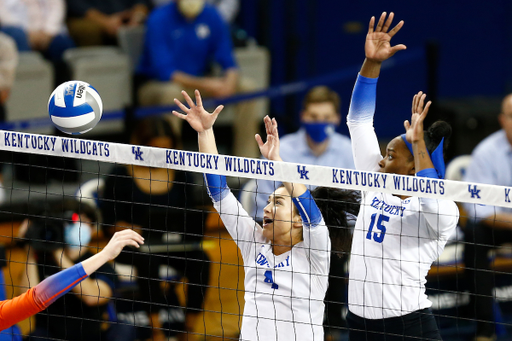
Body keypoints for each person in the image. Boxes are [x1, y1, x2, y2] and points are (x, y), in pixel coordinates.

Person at [172, 89, 360, 341]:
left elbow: (310, 210)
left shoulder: (316, 249)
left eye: (278, 202)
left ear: (297, 219)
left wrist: (277, 161)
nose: (267, 208)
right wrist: (205, 133)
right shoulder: (255, 243)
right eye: (269, 201)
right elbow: (218, 192)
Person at [345, 12, 459, 340]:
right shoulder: (375, 183)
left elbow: (429, 193)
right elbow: (359, 122)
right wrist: (371, 64)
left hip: (408, 328)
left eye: (392, 155)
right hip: (360, 326)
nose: (381, 160)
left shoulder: (442, 211)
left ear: (413, 167)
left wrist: (419, 143)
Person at [100, 116, 209, 340]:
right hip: (133, 246)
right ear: (140, 145)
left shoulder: (182, 175)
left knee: (202, 259)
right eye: (155, 150)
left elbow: (189, 214)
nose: (160, 155)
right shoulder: (119, 176)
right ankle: (156, 330)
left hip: (171, 244)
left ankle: (188, 329)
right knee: (148, 261)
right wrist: (124, 227)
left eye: (165, 150)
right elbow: (108, 224)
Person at [137, 0, 260, 157]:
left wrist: (229, 82)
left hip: (200, 84)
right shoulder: (158, 19)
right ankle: (175, 170)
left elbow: (229, 61)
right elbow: (166, 72)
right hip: (157, 85)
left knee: (247, 88)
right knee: (172, 94)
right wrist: (209, 85)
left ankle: (245, 165)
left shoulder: (211, 15)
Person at [2, 219, 144, 332]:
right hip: (51, 334)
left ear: (92, 227)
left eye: (78, 220)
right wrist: (31, 246)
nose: (72, 225)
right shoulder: (43, 262)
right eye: (68, 221)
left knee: (124, 329)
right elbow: (27, 301)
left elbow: (92, 297)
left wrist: (58, 253)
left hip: (89, 334)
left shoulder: (103, 266)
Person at [463, 93, 512, 341]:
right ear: (503, 119)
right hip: (499, 225)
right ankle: (485, 330)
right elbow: (479, 211)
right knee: (473, 236)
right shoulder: (485, 153)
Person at [0, 0, 75, 67]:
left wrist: (48, 31)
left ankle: (61, 80)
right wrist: (26, 32)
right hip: (15, 28)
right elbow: (3, 13)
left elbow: (56, 8)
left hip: (46, 31)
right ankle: (25, 76)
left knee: (61, 42)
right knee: (18, 36)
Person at [66, 0, 149, 46]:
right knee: (89, 30)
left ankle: (139, 72)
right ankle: (96, 69)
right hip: (88, 18)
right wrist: (106, 22)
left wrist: (137, 17)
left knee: (152, 23)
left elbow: (142, 3)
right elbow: (77, 5)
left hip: (127, 16)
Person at [152, 0, 240, 25]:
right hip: (173, 21)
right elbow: (164, 67)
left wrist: (213, 23)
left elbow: (229, 64)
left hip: (209, 22)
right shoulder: (159, 19)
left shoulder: (213, 16)